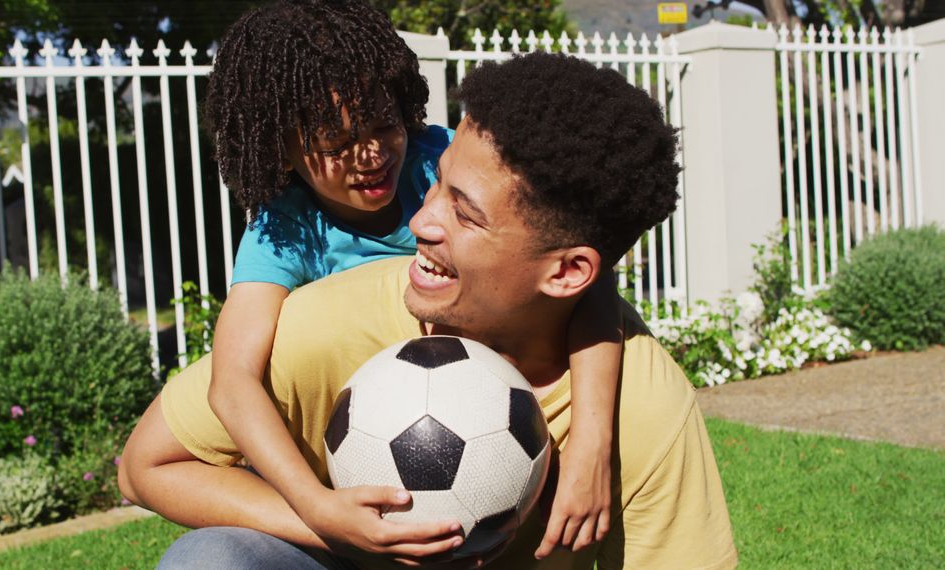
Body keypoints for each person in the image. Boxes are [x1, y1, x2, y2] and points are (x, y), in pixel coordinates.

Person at [119, 51, 737, 569]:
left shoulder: (646, 411)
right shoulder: (325, 317)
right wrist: (325, 519)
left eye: (464, 213)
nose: (418, 219)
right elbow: (146, 464)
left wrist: (593, 437)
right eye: (435, 183)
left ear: (569, 273)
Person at [199, 0, 622, 558]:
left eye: (383, 123)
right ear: (284, 149)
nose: (371, 154)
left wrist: (592, 446)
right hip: (358, 474)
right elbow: (232, 381)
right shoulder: (283, 232)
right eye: (336, 142)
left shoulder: (442, 164)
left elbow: (584, 276)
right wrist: (316, 505)